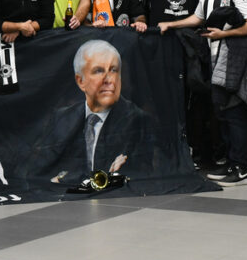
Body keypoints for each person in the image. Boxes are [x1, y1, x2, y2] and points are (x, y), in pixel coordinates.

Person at [158, 0, 247, 186]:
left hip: (236, 54)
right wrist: (171, 24)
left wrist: (223, 35)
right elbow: (199, 17)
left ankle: (242, 168)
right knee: (221, 109)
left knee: (235, 110)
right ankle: (232, 161)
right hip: (214, 54)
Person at [24, 39, 153, 187]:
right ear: (80, 81)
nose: (109, 79)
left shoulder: (138, 120)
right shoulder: (62, 119)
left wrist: (65, 178)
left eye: (113, 70)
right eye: (99, 71)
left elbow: (142, 176)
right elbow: (35, 171)